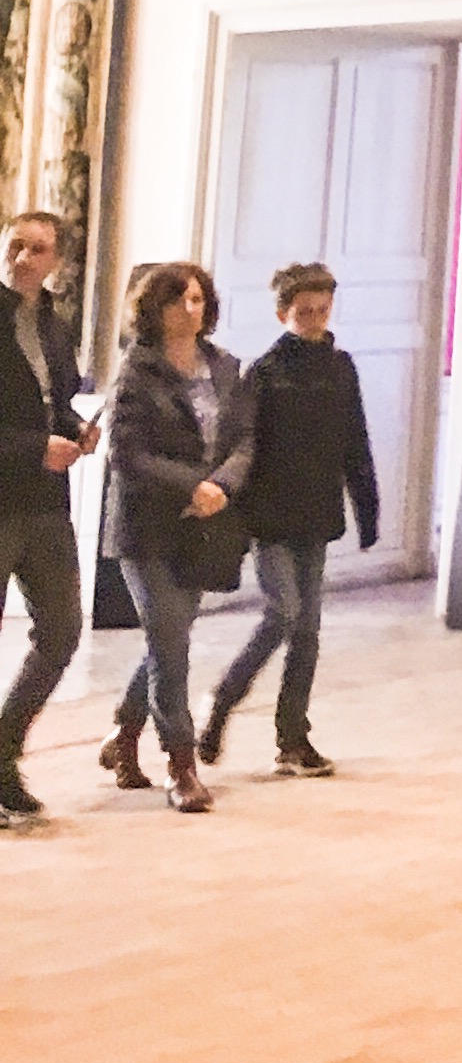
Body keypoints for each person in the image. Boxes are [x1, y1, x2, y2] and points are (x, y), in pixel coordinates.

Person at [203, 260, 378, 780]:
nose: (315, 320)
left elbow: (355, 441)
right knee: (283, 613)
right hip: (271, 515)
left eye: (323, 310)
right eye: (304, 312)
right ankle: (221, 704)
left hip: (316, 513)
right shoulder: (266, 372)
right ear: (283, 313)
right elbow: (243, 446)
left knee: (308, 631)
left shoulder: (342, 367)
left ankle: (292, 738)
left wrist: (367, 509)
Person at [100, 261, 253, 815]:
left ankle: (123, 734)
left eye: (196, 299)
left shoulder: (226, 367)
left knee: (170, 637)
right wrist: (197, 483)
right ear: (154, 309)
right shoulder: (137, 371)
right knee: (171, 639)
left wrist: (222, 485)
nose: (189, 310)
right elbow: (127, 455)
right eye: (176, 300)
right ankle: (181, 765)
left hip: (204, 526)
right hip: (147, 528)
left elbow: (244, 441)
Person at [0, 205, 95, 821]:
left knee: (61, 629)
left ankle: (3, 751)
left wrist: (76, 430)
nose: (22, 258)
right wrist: (39, 446)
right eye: (14, 245)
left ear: (55, 260)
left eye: (37, 249)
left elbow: (54, 402)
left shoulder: (56, 324)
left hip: (45, 505)